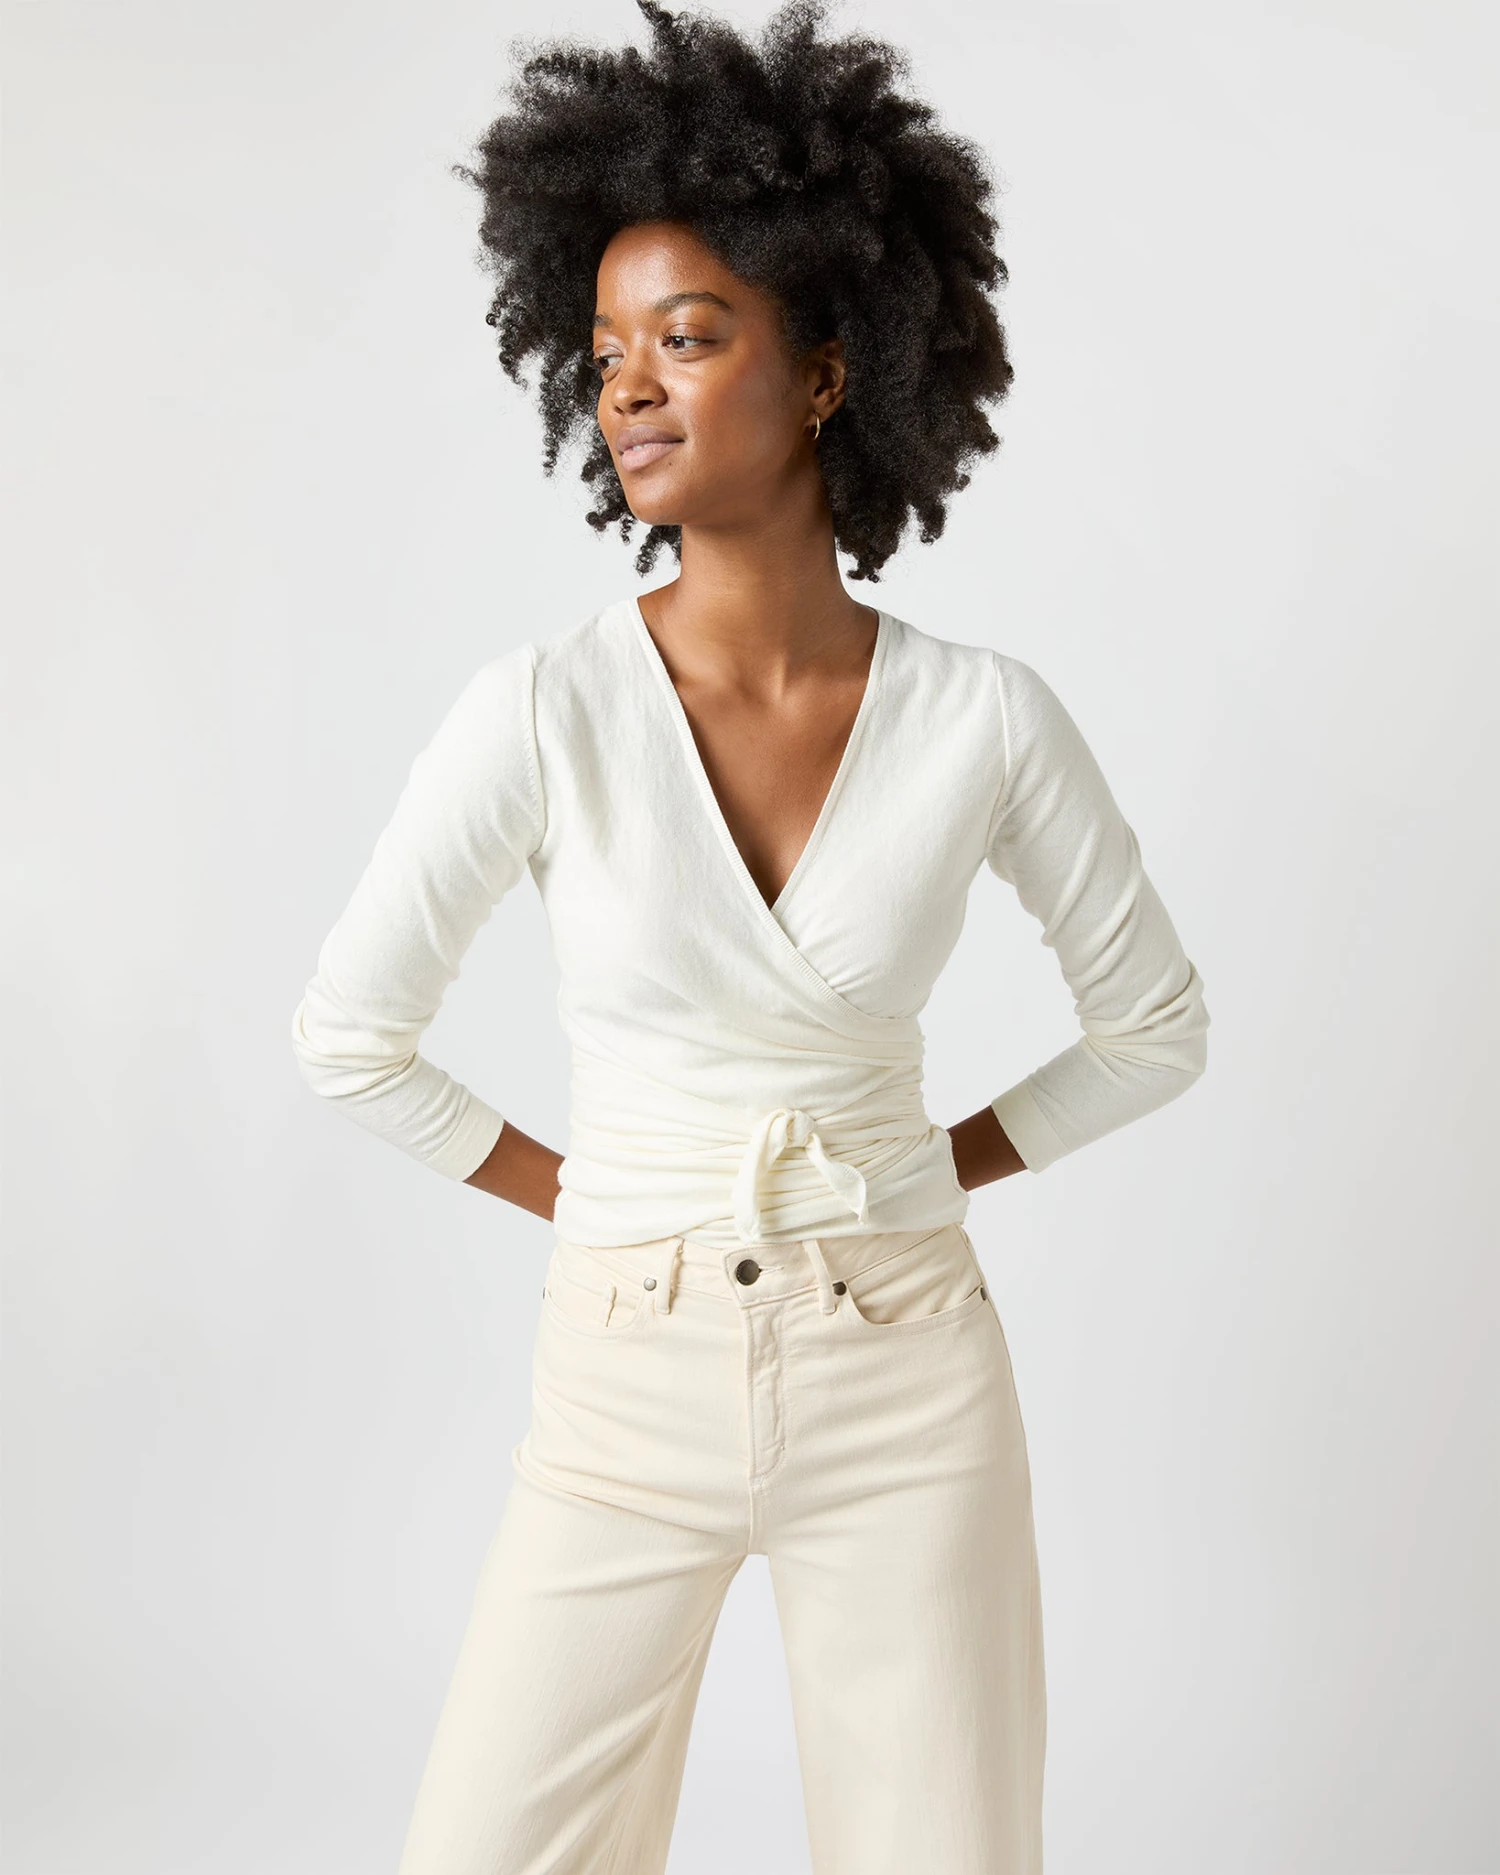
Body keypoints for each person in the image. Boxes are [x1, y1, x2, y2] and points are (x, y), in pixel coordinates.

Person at [290, 2, 1211, 1869]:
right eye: (605, 350)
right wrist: (601, 1192)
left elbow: (1155, 1028)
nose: (629, 387)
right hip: (620, 1377)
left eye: (689, 337)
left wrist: (922, 1169)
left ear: (825, 371)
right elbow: (350, 1038)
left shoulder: (982, 718)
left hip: (906, 1366)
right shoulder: (541, 712)